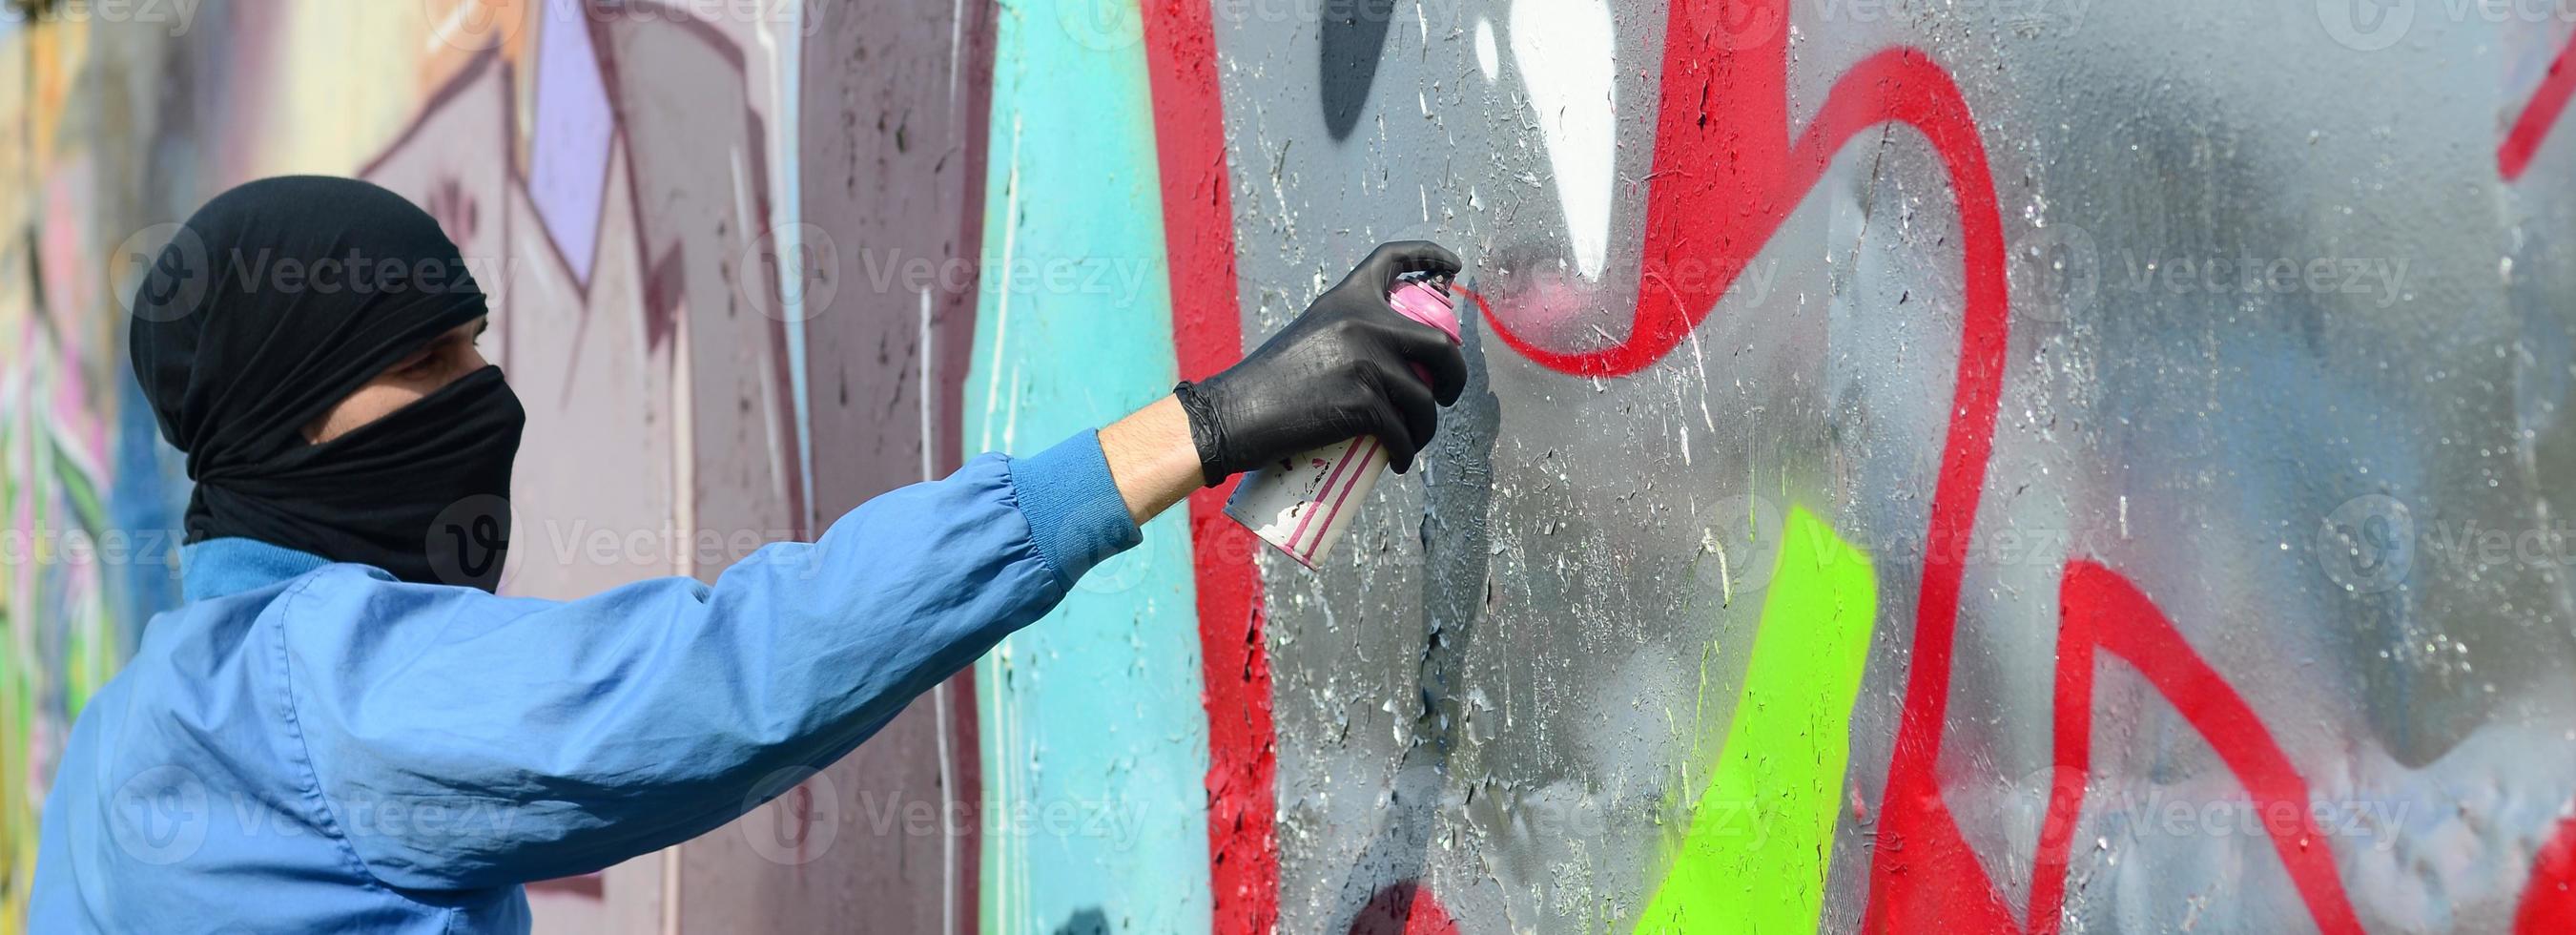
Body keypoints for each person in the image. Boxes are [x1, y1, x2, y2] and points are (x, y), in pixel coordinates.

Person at [30, 176, 1469, 933]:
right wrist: (1198, 427)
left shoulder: (123, 740)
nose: (484, 393)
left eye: (480, 340)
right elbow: (729, 677)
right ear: (293, 413)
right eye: (426, 361)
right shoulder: (314, 696)